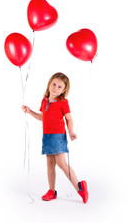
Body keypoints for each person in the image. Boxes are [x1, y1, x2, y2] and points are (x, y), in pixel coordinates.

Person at [21, 72, 88, 203]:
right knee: (50, 163)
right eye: (54, 84)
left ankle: (79, 187)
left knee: (61, 163)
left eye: (59, 87)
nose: (55, 88)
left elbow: (69, 119)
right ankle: (52, 190)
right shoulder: (44, 100)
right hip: (46, 136)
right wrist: (30, 111)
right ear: (49, 83)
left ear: (64, 90)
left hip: (58, 136)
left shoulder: (63, 103)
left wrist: (71, 132)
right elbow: (42, 117)